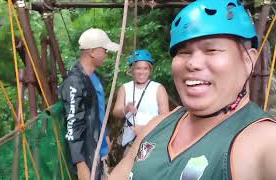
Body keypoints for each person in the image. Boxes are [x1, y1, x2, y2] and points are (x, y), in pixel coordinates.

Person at [109, 0, 276, 179]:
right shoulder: (156, 128)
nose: (192, 63)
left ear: (248, 60)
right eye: (184, 52)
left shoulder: (265, 141)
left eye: (211, 50)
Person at [60, 28, 119, 180]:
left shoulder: (96, 78)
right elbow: (73, 125)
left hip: (99, 150)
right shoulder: (74, 82)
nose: (107, 54)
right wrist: (80, 164)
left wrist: (105, 134)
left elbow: (98, 112)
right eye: (104, 50)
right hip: (87, 155)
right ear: (93, 52)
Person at [113, 49, 169, 147]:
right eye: (138, 68)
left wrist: (145, 129)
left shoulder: (158, 88)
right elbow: (116, 113)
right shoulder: (125, 88)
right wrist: (126, 109)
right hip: (130, 140)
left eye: (145, 68)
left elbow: (165, 118)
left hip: (153, 140)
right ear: (132, 70)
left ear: (150, 70)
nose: (141, 72)